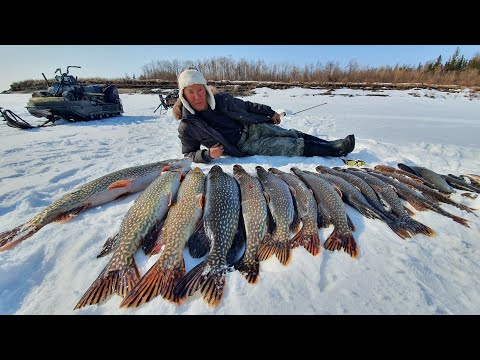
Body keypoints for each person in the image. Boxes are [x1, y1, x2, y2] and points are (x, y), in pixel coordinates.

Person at [172, 68, 355, 163]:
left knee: (291, 133)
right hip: (244, 144)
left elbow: (248, 106)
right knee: (289, 146)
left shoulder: (221, 99)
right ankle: (336, 149)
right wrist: (207, 154)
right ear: (183, 95)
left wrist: (270, 112)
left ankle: (329, 144)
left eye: (199, 90)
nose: (197, 96)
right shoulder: (188, 126)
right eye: (191, 92)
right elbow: (188, 154)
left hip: (252, 127)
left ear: (205, 89)